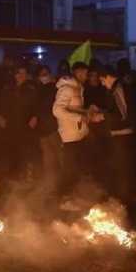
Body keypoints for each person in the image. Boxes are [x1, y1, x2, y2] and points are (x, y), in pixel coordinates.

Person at [98, 66, 136, 204]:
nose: (102, 83)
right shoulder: (114, 89)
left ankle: (124, 201)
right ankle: (122, 199)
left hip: (123, 135)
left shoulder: (118, 89)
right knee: (118, 168)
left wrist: (102, 116)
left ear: (108, 76)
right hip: (118, 134)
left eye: (102, 80)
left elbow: (122, 114)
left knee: (123, 169)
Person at [0, 64, 39, 179]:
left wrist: (35, 116)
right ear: (15, 75)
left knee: (24, 150)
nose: (21, 76)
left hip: (25, 123)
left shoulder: (31, 89)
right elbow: (1, 103)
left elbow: (36, 105)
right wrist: (0, 116)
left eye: (24, 73)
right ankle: (11, 174)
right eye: (19, 73)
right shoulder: (8, 88)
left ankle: (24, 174)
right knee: (11, 149)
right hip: (11, 123)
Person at [53, 62, 91, 194]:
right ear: (78, 73)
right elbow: (57, 110)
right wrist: (79, 118)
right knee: (69, 171)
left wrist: (87, 112)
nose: (87, 76)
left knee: (78, 170)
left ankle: (74, 198)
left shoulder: (79, 89)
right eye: (86, 73)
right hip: (69, 137)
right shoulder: (67, 89)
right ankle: (64, 199)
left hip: (79, 135)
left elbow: (76, 108)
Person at [34, 65, 62, 195]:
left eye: (46, 73)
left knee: (60, 160)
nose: (44, 76)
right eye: (42, 74)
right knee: (49, 162)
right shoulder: (39, 89)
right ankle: (52, 188)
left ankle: (63, 187)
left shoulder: (56, 89)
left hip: (54, 129)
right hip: (43, 131)